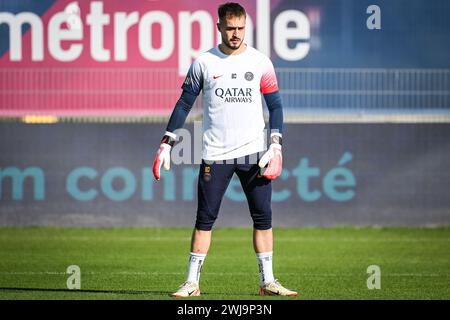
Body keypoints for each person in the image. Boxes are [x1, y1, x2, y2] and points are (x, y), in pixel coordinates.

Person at [152, 2, 297, 298]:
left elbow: (276, 106)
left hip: (255, 155)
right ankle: (192, 283)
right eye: (230, 28)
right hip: (215, 156)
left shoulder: (260, 62)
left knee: (263, 218)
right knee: (204, 220)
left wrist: (276, 143)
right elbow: (183, 104)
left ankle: (267, 282)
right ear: (219, 26)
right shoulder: (204, 63)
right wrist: (167, 142)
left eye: (241, 28)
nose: (236, 34)